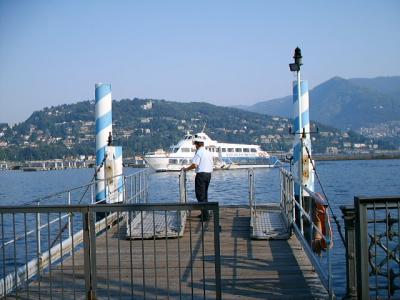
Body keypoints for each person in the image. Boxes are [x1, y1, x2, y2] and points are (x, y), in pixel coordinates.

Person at [182, 136, 213, 221]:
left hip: (201, 175)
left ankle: (205, 216)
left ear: (198, 144)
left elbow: (195, 165)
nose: (195, 146)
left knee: (200, 195)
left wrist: (186, 169)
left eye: (195, 144)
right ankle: (204, 213)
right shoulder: (208, 152)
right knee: (205, 194)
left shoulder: (199, 152)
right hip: (208, 175)